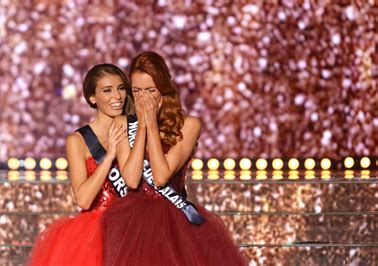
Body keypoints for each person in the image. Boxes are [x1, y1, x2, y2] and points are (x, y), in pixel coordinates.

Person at [101, 52, 247, 265]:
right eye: (137, 91)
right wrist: (142, 125)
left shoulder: (188, 125)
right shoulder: (123, 123)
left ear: (163, 90)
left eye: (150, 91)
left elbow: (160, 177)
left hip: (175, 223)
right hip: (131, 225)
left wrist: (151, 124)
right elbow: (131, 180)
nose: (143, 98)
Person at [29, 64, 133, 265]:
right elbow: (83, 199)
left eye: (121, 88)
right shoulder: (79, 140)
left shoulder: (135, 130)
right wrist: (109, 155)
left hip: (133, 227)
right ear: (92, 98)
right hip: (95, 234)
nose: (117, 96)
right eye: (107, 90)